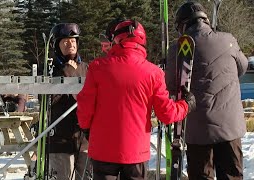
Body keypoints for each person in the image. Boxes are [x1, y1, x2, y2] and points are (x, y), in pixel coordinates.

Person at [76, 19, 196, 180]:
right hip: (135, 153)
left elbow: (85, 105)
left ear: (116, 40)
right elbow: (166, 114)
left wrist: (86, 129)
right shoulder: (153, 73)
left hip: (103, 149)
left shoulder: (97, 67)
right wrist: (185, 105)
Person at [165, 2, 248, 179]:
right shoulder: (228, 40)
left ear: (183, 24)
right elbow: (243, 67)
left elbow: (171, 85)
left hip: (197, 129)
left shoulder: (176, 49)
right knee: (232, 175)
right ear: (205, 19)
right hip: (229, 126)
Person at [45, 23, 89, 180]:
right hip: (60, 142)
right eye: (65, 41)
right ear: (57, 45)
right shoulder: (51, 70)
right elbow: (49, 100)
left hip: (83, 140)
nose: (70, 44)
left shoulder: (86, 68)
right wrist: (67, 73)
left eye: (73, 41)